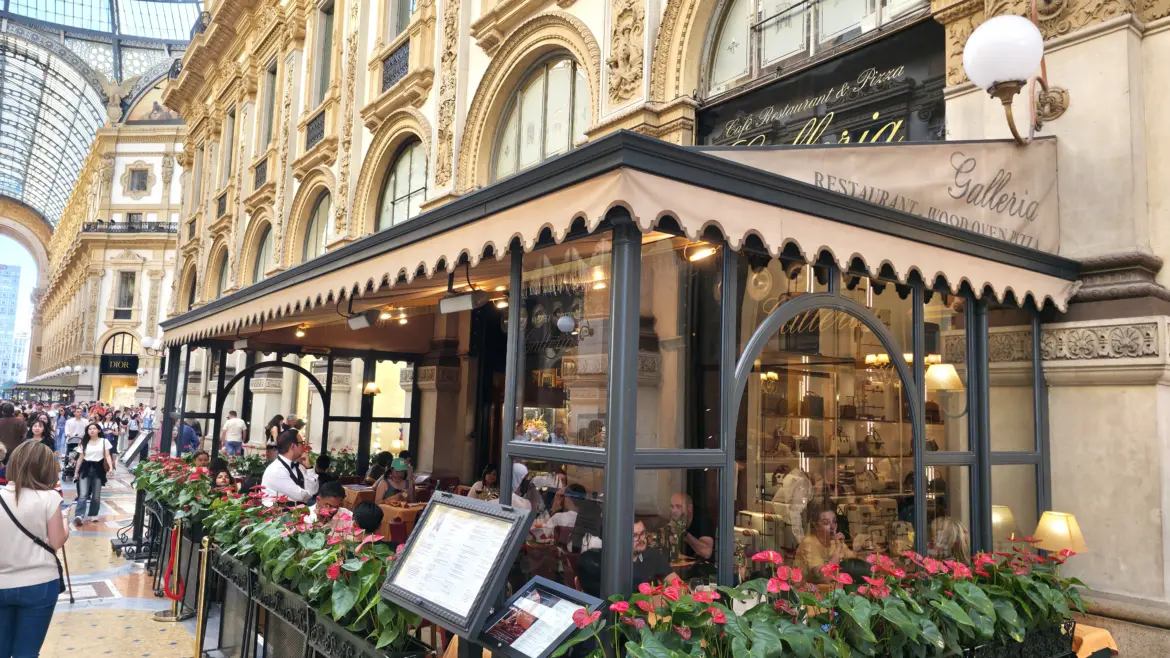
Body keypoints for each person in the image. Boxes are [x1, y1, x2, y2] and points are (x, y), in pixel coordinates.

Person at [0, 441, 70, 657]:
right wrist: (66, 521)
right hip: (39, 583)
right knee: (28, 651)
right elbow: (56, 541)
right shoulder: (50, 498)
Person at [795, 509, 855, 580]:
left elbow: (854, 562)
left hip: (832, 588)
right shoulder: (809, 542)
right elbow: (824, 577)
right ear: (816, 526)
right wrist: (838, 549)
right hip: (807, 588)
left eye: (834, 522)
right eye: (826, 523)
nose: (832, 527)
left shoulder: (835, 541)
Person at [260, 430, 318, 504]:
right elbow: (300, 495)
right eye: (302, 443)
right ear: (293, 446)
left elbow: (313, 491)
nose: (304, 446)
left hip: (296, 512)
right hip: (278, 513)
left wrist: (309, 468)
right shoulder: (276, 470)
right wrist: (309, 494)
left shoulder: (299, 466)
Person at [73, 422, 113, 526]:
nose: (91, 430)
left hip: (99, 469)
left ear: (99, 430)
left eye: (94, 428)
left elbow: (107, 456)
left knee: (96, 495)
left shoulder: (104, 441)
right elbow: (80, 458)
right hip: (85, 469)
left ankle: (93, 513)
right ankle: (79, 515)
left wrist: (111, 467)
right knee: (83, 494)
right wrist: (76, 472)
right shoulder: (84, 442)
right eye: (89, 429)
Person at [632, 519, 677, 589]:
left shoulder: (653, 554)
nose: (641, 539)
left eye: (642, 533)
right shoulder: (615, 563)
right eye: (635, 535)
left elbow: (676, 583)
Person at [669, 493, 715, 561]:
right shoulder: (675, 520)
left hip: (703, 568)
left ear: (689, 508)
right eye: (672, 507)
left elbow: (707, 553)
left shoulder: (703, 521)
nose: (674, 511)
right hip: (683, 564)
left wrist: (684, 533)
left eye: (678, 507)